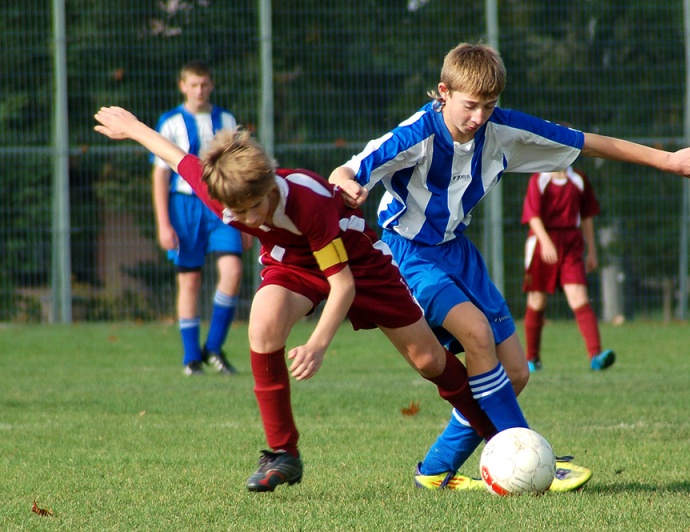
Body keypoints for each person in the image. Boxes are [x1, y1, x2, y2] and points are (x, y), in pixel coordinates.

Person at [329, 42, 690, 492]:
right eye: (470, 105)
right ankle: (530, 458)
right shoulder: (416, 135)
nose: (479, 117)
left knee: (515, 373)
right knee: (476, 333)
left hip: (458, 253)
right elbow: (345, 171)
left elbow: (587, 143)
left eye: (489, 106)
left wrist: (667, 159)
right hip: (409, 254)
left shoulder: (501, 130)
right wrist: (348, 187)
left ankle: (434, 470)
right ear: (443, 93)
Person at [94, 105, 501, 493]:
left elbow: (342, 285)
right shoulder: (226, 191)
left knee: (428, 360)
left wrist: (317, 344)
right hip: (292, 262)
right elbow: (178, 159)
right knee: (263, 325)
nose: (249, 219)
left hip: (358, 263)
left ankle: (498, 437)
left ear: (270, 184)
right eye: (239, 212)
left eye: (255, 207)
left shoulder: (307, 201)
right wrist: (132, 128)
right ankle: (282, 453)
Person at [151, 60, 249, 376]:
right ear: (183, 86)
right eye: (193, 84)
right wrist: (164, 223)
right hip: (184, 206)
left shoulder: (226, 120)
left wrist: (247, 220)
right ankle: (192, 357)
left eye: (204, 84)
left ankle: (215, 348)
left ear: (212, 85)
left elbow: (239, 172)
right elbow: (160, 175)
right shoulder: (170, 122)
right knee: (189, 280)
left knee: (233, 270)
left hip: (221, 205)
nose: (199, 90)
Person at [521, 164, 615, 373]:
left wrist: (592, 251)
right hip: (542, 244)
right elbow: (532, 216)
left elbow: (587, 217)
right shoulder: (539, 180)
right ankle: (532, 359)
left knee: (579, 296)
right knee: (537, 300)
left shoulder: (579, 179)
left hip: (571, 244)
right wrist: (545, 241)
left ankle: (596, 356)